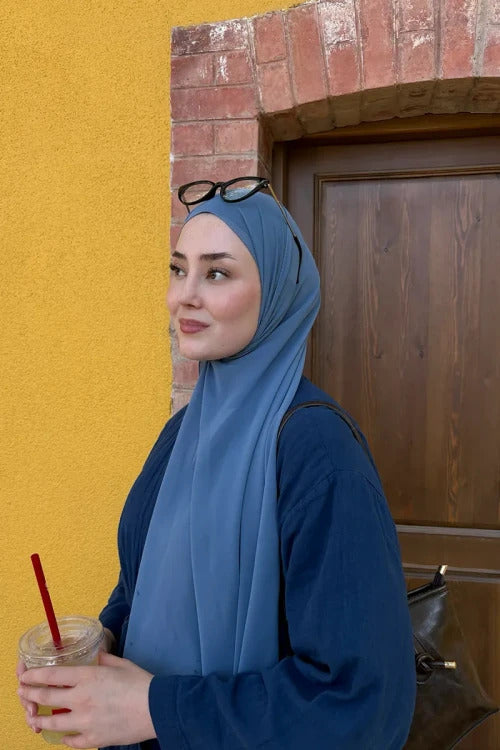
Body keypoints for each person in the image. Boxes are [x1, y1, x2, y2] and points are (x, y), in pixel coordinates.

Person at [17, 178, 416, 749]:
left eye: (218, 273)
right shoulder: (182, 433)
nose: (184, 296)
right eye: (178, 269)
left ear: (276, 293)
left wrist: (155, 708)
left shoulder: (318, 452)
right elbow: (141, 583)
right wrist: (101, 646)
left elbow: (360, 705)